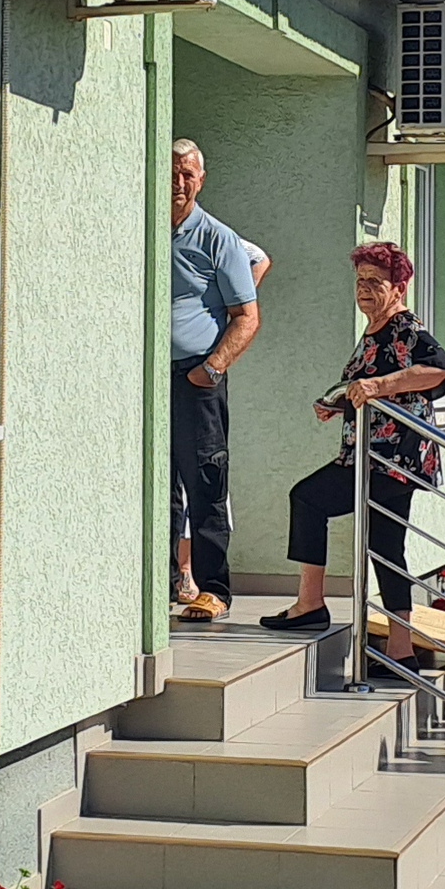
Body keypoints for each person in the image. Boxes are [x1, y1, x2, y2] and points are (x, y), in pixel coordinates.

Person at [260, 242, 445, 665]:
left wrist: (376, 387)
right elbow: (369, 385)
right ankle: (401, 651)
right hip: (371, 453)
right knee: (386, 545)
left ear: (400, 287)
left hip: (391, 457)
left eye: (375, 282)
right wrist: (340, 403)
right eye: (360, 281)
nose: (364, 289)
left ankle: (310, 605)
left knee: (308, 498)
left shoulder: (406, 328)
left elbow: (439, 370)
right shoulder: (373, 330)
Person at [166, 140, 266, 625]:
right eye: (172, 172)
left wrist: (211, 369)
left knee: (205, 481)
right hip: (143, 380)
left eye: (188, 174)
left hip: (195, 378)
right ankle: (161, 585)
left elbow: (246, 316)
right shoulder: (140, 225)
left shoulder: (217, 238)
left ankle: (213, 590)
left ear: (200, 179)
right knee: (155, 486)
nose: (179, 183)